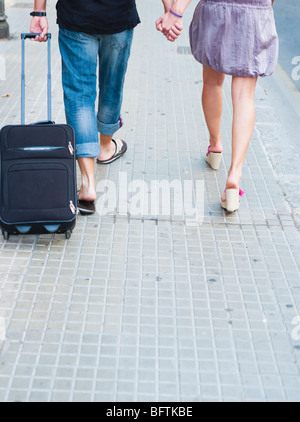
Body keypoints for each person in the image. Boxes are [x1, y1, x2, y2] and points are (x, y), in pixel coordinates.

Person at [157, 0, 278, 212]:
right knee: (244, 98)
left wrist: (175, 12)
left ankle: (215, 146)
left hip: (217, 9)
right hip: (255, 11)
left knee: (212, 82)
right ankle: (234, 176)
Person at [30, 0, 140, 214]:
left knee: (79, 95)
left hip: (77, 16)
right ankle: (106, 147)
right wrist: (173, 11)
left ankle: (88, 183)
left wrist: (39, 11)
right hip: (118, 16)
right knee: (112, 85)